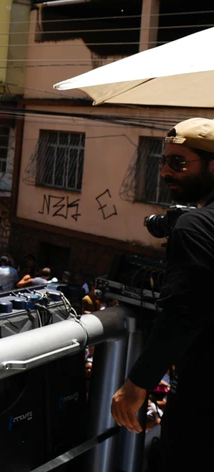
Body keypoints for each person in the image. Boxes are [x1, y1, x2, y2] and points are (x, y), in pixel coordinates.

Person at [111, 119, 214, 467]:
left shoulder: (196, 226)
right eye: (163, 160)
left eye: (179, 163)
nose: (165, 172)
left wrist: (137, 383)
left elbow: (184, 312)